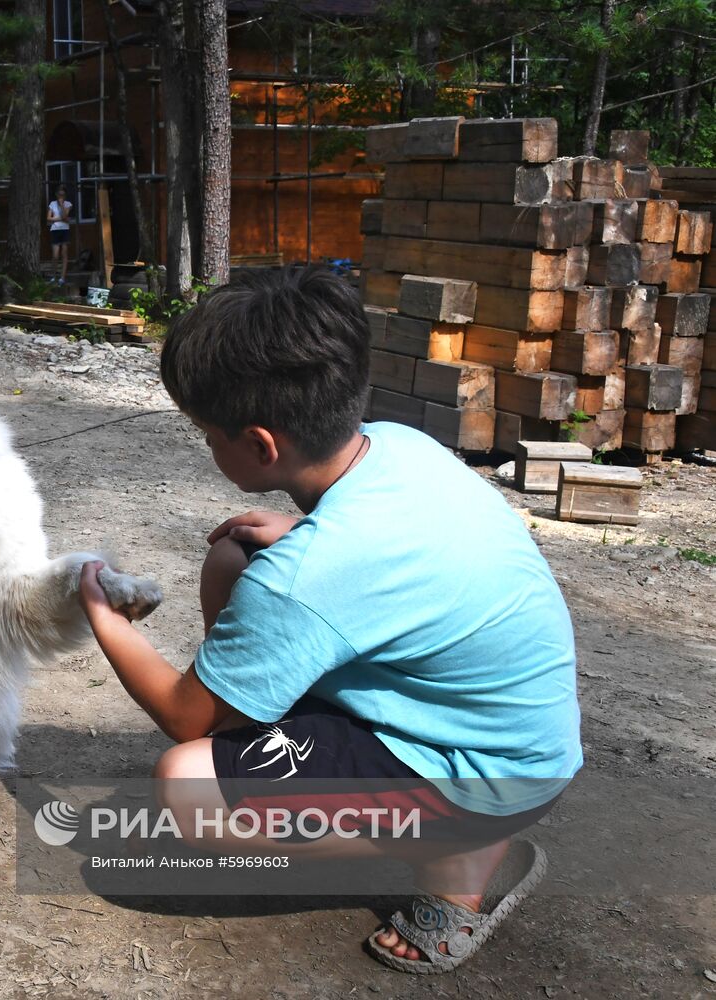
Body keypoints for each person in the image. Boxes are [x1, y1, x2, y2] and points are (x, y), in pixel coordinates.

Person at [75, 267, 582, 975]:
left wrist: (103, 617)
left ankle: (457, 853)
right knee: (232, 556)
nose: (207, 448)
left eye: (206, 435)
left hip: (489, 775)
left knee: (187, 785)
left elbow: (184, 717)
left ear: (258, 445)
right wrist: (296, 532)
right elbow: (388, 552)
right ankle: (300, 751)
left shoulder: (307, 577)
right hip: (514, 731)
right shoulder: (399, 445)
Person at [46, 186, 73, 285]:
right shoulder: (52, 204)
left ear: (65, 195)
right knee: (55, 255)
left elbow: (65, 216)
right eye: (59, 194)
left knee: (64, 254)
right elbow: (48, 218)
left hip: (65, 230)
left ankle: (62, 277)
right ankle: (53, 276)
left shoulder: (68, 204)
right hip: (55, 229)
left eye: (62, 194)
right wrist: (61, 218)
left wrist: (61, 206)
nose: (60, 196)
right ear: (56, 194)